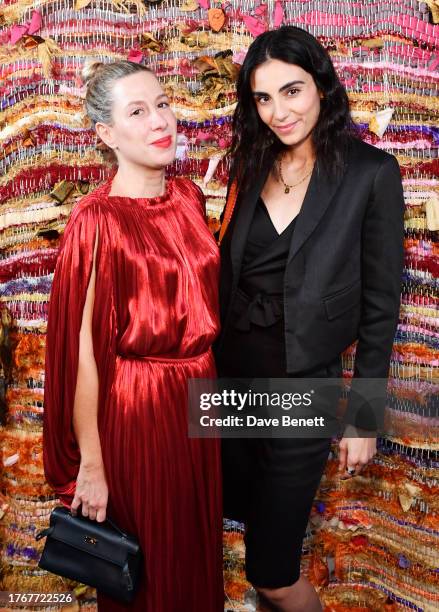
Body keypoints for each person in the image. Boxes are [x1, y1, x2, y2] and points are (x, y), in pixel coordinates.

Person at [215, 26, 404, 612]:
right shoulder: (250, 163)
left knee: (273, 571)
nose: (278, 112)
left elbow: (380, 305)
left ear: (321, 85)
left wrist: (364, 417)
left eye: (291, 91)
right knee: (242, 540)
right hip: (226, 387)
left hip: (302, 389)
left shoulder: (370, 172)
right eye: (263, 98)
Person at [43, 60, 223, 612]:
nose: (159, 121)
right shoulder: (96, 219)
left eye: (163, 104)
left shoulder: (190, 197)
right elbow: (81, 355)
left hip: (200, 400)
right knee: (149, 576)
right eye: (138, 112)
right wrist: (91, 467)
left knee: (196, 561)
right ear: (106, 134)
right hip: (139, 408)